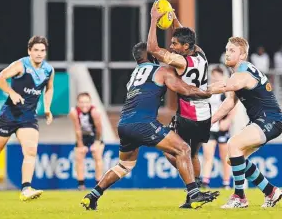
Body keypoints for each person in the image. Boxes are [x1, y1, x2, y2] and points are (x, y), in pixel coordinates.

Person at [81, 42, 221, 211]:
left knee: (124, 165)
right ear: (152, 56)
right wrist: (209, 91)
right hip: (144, 123)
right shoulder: (161, 70)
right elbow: (186, 90)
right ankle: (194, 193)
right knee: (183, 148)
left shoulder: (134, 75)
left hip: (124, 124)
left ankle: (93, 196)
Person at [211, 37, 282, 209]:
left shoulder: (243, 73)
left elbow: (227, 86)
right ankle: (271, 192)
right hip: (263, 120)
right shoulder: (237, 73)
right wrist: (209, 121)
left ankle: (239, 197)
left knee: (234, 144)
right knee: (234, 158)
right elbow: (229, 103)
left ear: (243, 55)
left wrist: (201, 90)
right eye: (227, 49)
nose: (227, 54)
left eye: (232, 51)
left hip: (270, 120)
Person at [0, 36, 54, 201]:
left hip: (28, 116)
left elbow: (49, 89)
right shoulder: (21, 65)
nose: (39, 54)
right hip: (9, 114)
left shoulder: (49, 70)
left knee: (30, 151)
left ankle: (26, 188)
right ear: (29, 51)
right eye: (36, 50)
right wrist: (12, 93)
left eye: (42, 50)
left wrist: (47, 108)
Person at [147, 4, 211, 189]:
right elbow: (183, 34)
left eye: (175, 44)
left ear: (186, 46)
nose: (171, 46)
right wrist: (173, 17)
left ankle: (193, 187)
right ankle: (197, 189)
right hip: (204, 114)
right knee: (192, 154)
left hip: (188, 114)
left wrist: (153, 19)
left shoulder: (180, 61)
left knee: (170, 150)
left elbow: (152, 48)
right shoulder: (201, 54)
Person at [202, 67, 235, 189]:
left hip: (222, 127)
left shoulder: (227, 90)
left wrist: (228, 120)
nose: (215, 78)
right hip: (210, 127)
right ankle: (205, 182)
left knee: (225, 156)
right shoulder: (208, 90)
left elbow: (233, 106)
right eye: (213, 76)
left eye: (218, 76)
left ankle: (226, 182)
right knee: (207, 154)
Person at [68, 92, 104, 191]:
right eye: (82, 102)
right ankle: (81, 184)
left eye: (87, 102)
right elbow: (77, 129)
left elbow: (99, 129)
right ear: (78, 103)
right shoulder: (74, 112)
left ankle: (99, 184)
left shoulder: (95, 112)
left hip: (94, 135)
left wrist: (96, 143)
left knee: (97, 156)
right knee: (79, 156)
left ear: (90, 103)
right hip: (82, 136)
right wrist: (80, 144)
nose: (84, 105)